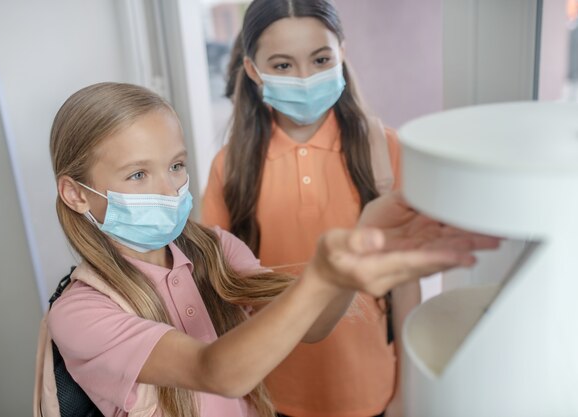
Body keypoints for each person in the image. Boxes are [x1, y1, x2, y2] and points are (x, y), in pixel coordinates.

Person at [45, 81, 497, 417]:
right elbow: (217, 372)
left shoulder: (215, 250)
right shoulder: (81, 313)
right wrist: (322, 273)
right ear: (77, 194)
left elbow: (313, 325)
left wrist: (345, 269)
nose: (169, 190)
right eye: (138, 175)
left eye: (176, 165)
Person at [201, 1, 421, 416]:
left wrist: (405, 393)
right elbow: (217, 291)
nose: (305, 78)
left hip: (368, 387)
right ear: (252, 70)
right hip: (268, 393)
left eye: (320, 59)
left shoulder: (384, 149)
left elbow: (405, 282)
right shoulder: (229, 167)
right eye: (282, 65)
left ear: (341, 51)